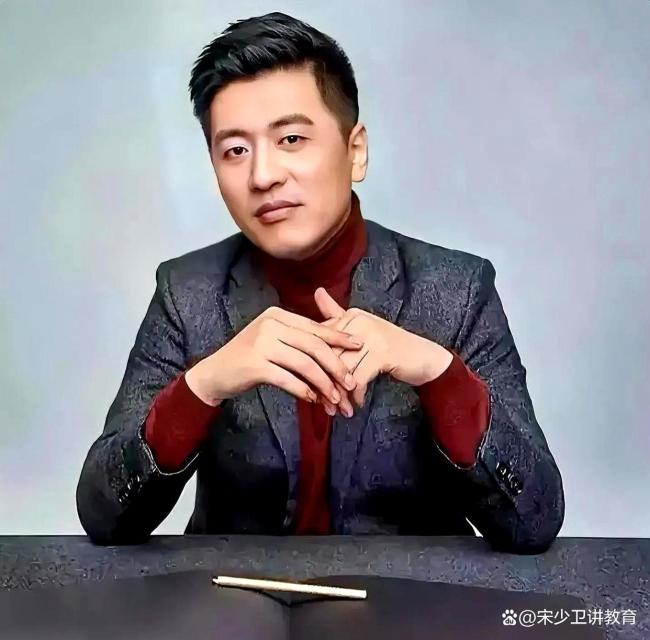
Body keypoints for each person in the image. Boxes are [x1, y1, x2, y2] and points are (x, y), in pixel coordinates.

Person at [76, 11, 564, 553]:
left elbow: (534, 520)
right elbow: (104, 516)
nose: (263, 176)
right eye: (235, 150)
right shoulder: (187, 293)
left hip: (408, 597)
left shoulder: (456, 289)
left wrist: (438, 373)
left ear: (355, 152)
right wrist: (203, 386)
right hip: (235, 595)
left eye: (291, 138)